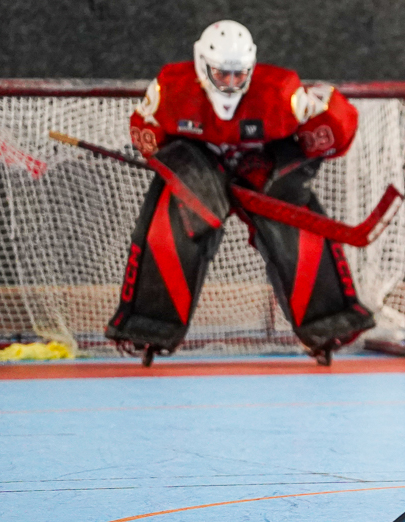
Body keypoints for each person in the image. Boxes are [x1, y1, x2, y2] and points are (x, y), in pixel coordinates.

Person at [107, 20, 374, 365]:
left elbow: (332, 126)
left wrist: (291, 165)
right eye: (222, 74)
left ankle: (329, 322)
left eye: (239, 75)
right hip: (199, 162)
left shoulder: (282, 93)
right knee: (170, 230)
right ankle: (148, 327)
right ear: (203, 66)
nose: (230, 83)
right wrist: (178, 164)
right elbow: (147, 132)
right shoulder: (171, 89)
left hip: (259, 163)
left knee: (295, 226)